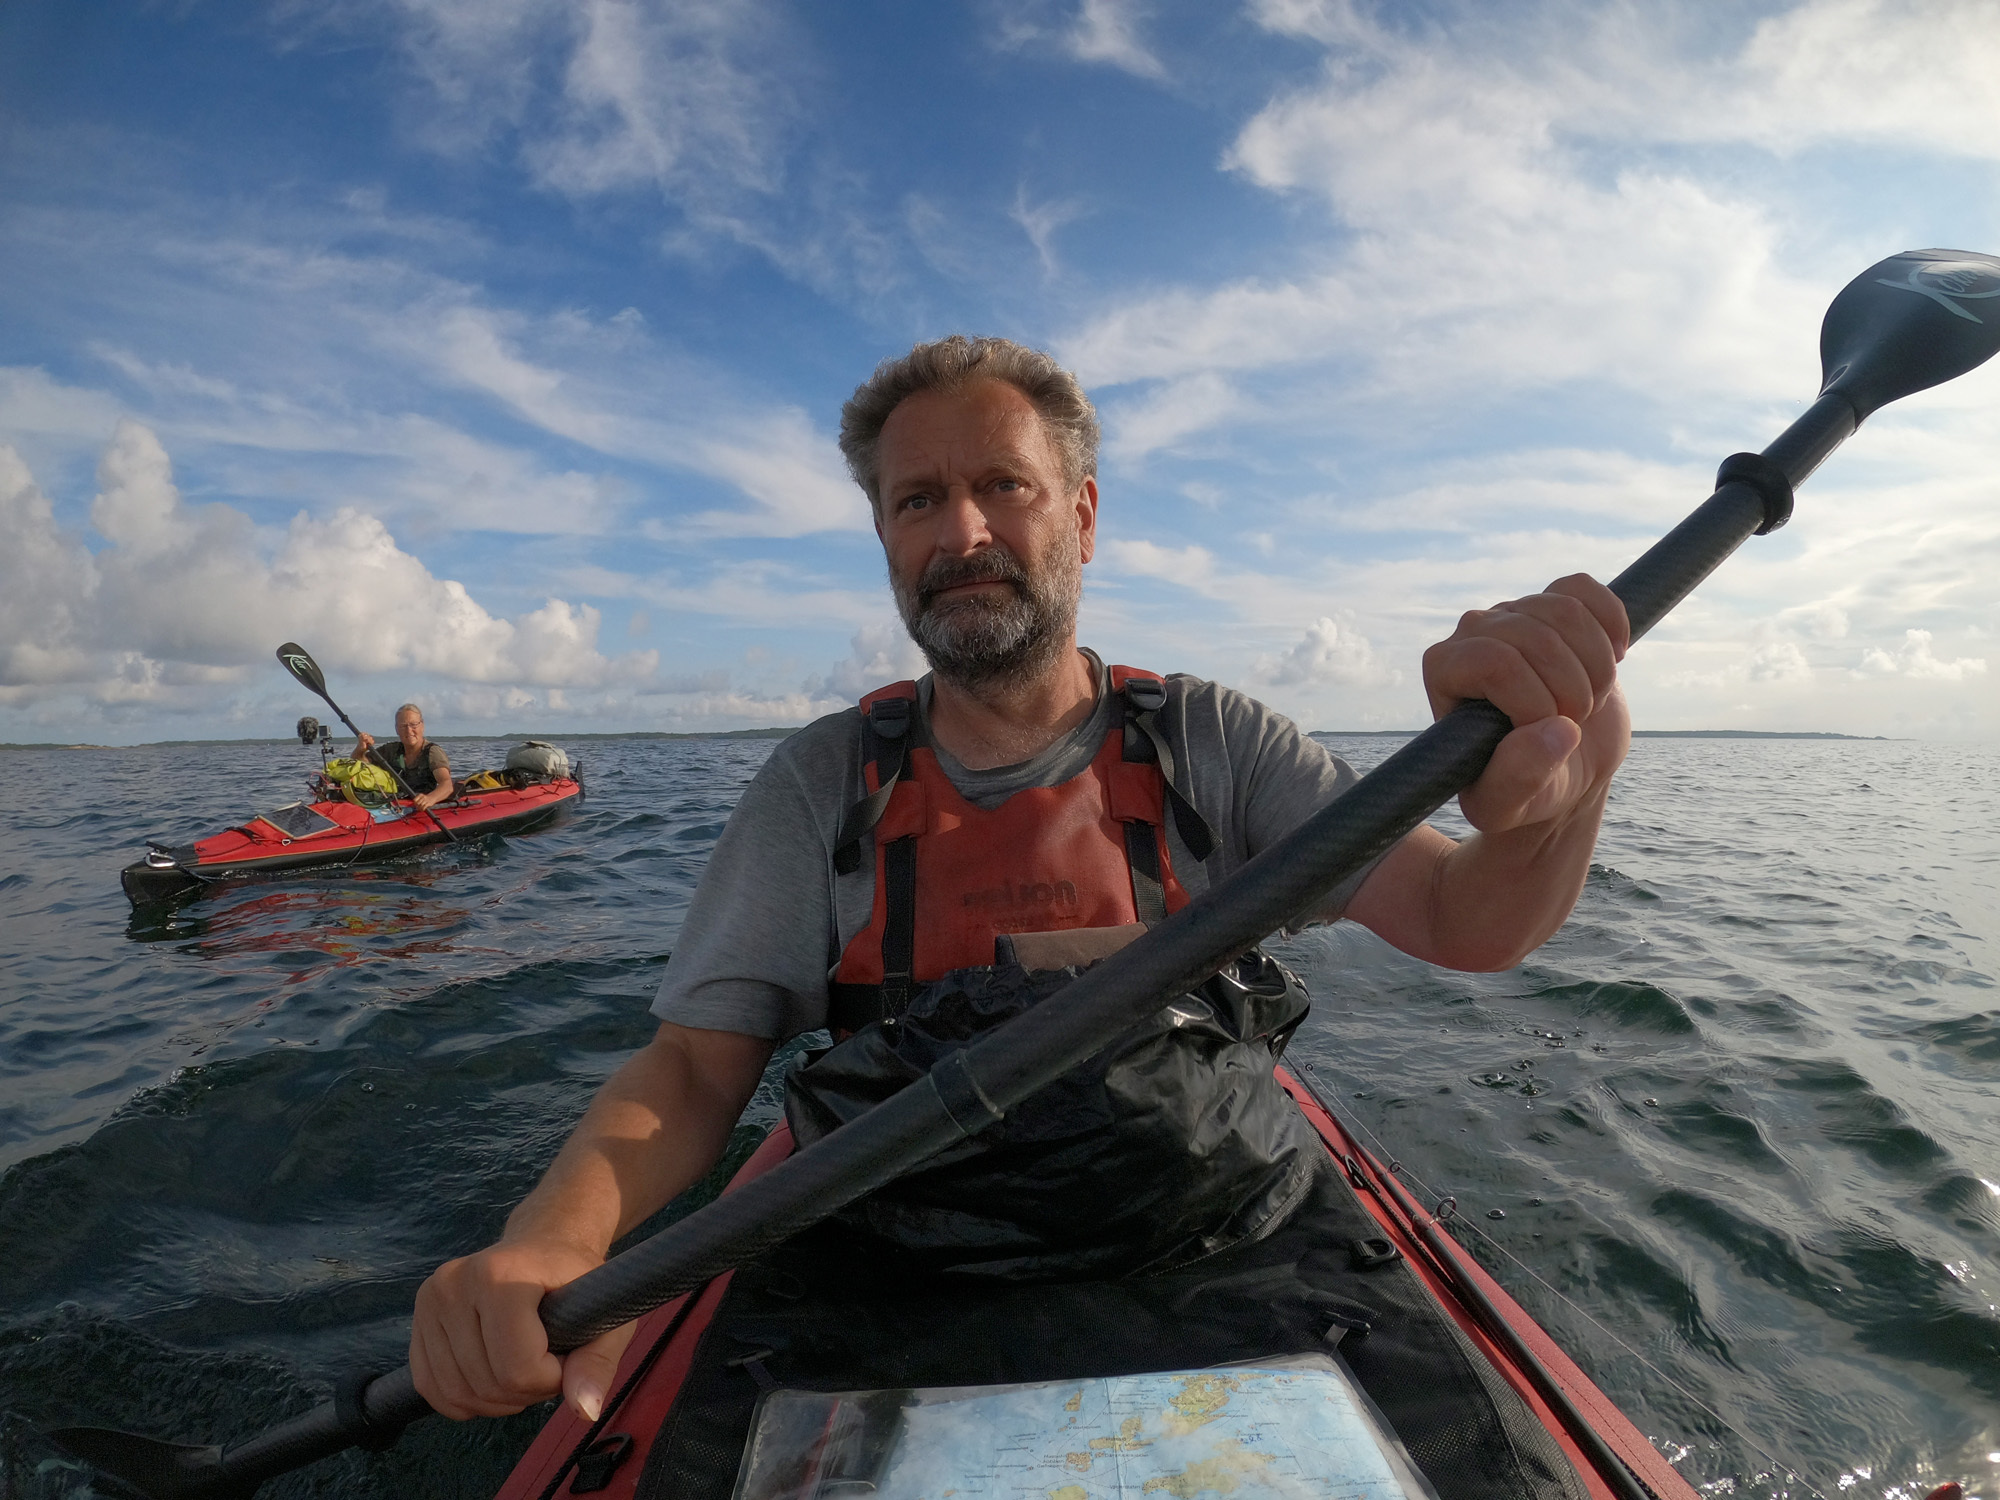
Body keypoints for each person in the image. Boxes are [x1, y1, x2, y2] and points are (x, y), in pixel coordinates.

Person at [409, 337, 1631, 1494]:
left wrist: (1565, 790)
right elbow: (690, 1067)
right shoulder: (817, 786)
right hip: (885, 1264)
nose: (963, 531)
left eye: (1004, 485)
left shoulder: (1213, 743)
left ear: (1082, 518)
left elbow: (1463, 918)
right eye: (916, 500)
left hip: (1220, 1233)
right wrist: (552, 1242)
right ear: (885, 539)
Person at [355, 703, 454, 811]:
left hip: (420, 807)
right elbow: (359, 764)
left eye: (413, 725)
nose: (409, 730)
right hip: (396, 805)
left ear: (422, 725)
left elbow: (447, 784)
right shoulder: (390, 750)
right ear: (397, 729)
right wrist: (360, 749)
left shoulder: (432, 752)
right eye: (403, 726)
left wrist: (430, 799)